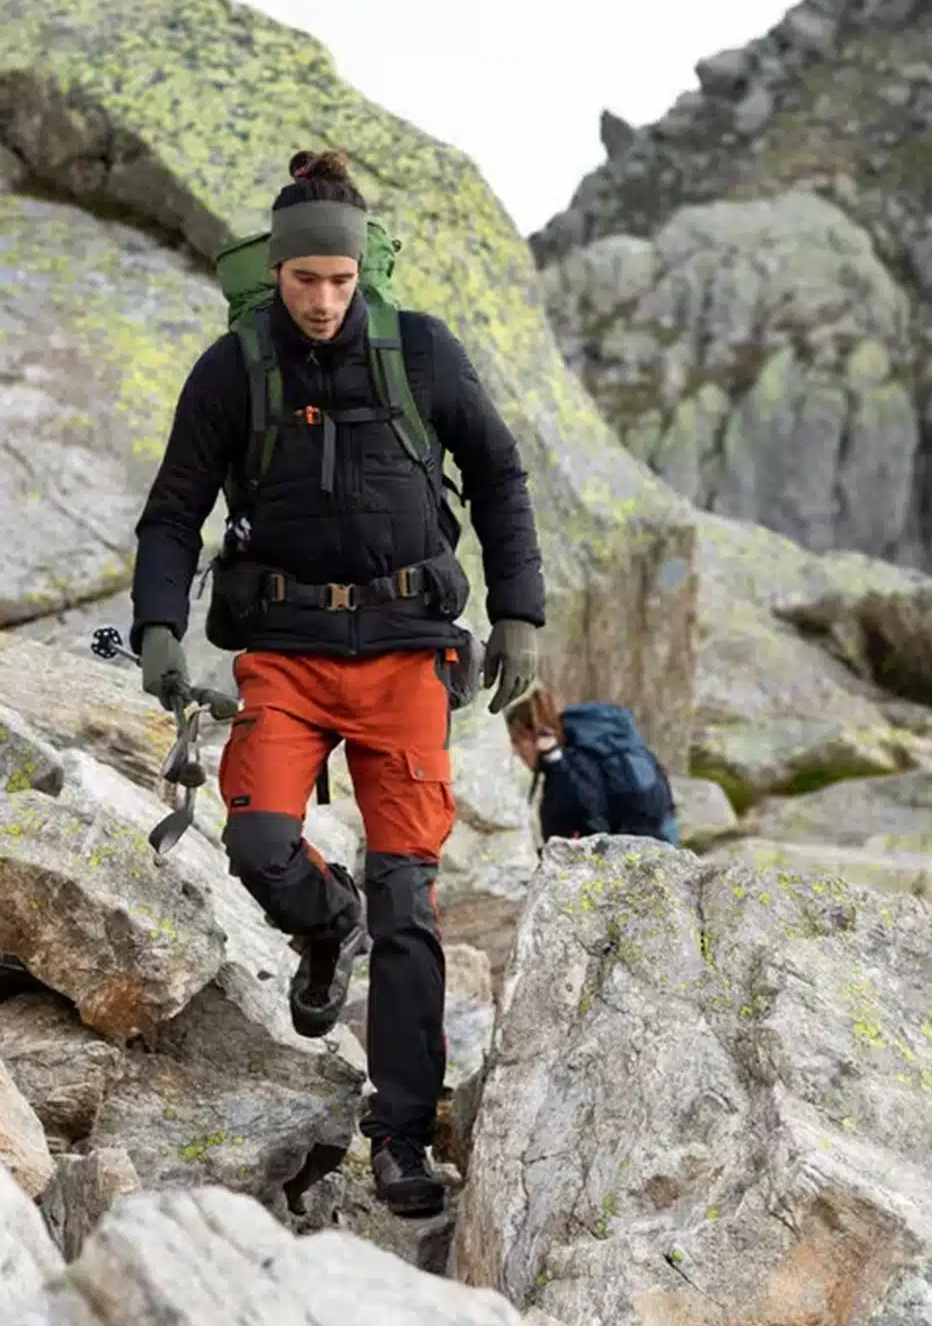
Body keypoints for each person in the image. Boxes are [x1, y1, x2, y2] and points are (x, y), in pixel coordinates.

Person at [129, 149, 545, 1217]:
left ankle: (401, 1137)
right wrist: (159, 629)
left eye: (339, 281)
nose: (321, 299)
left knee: (411, 901)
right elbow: (174, 511)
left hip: (408, 653)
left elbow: (498, 474)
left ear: (363, 274)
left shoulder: (422, 354)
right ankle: (324, 924)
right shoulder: (233, 369)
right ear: (274, 271)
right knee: (259, 843)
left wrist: (521, 616)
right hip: (289, 654)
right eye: (303, 278)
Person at [505, 684, 680, 845]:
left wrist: (554, 761)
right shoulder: (583, 752)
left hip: (642, 843)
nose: (516, 751)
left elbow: (587, 811)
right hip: (660, 830)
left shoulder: (570, 762)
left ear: (534, 737)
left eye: (516, 741)